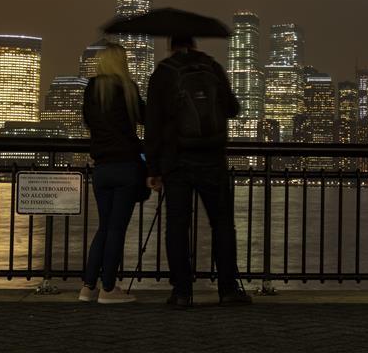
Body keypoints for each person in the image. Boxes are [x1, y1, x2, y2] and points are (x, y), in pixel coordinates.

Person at [145, 35, 252, 307]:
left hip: (177, 161)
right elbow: (233, 108)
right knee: (223, 224)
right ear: (194, 43)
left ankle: (182, 292)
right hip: (213, 159)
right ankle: (228, 289)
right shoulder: (212, 67)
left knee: (177, 226)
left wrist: (154, 168)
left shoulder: (164, 73)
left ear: (171, 45)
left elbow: (153, 124)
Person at [79, 42, 150, 304]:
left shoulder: (92, 88)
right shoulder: (128, 88)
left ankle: (88, 287)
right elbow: (146, 118)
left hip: (102, 169)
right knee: (117, 229)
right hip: (127, 167)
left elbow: (87, 120)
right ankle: (108, 288)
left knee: (104, 227)